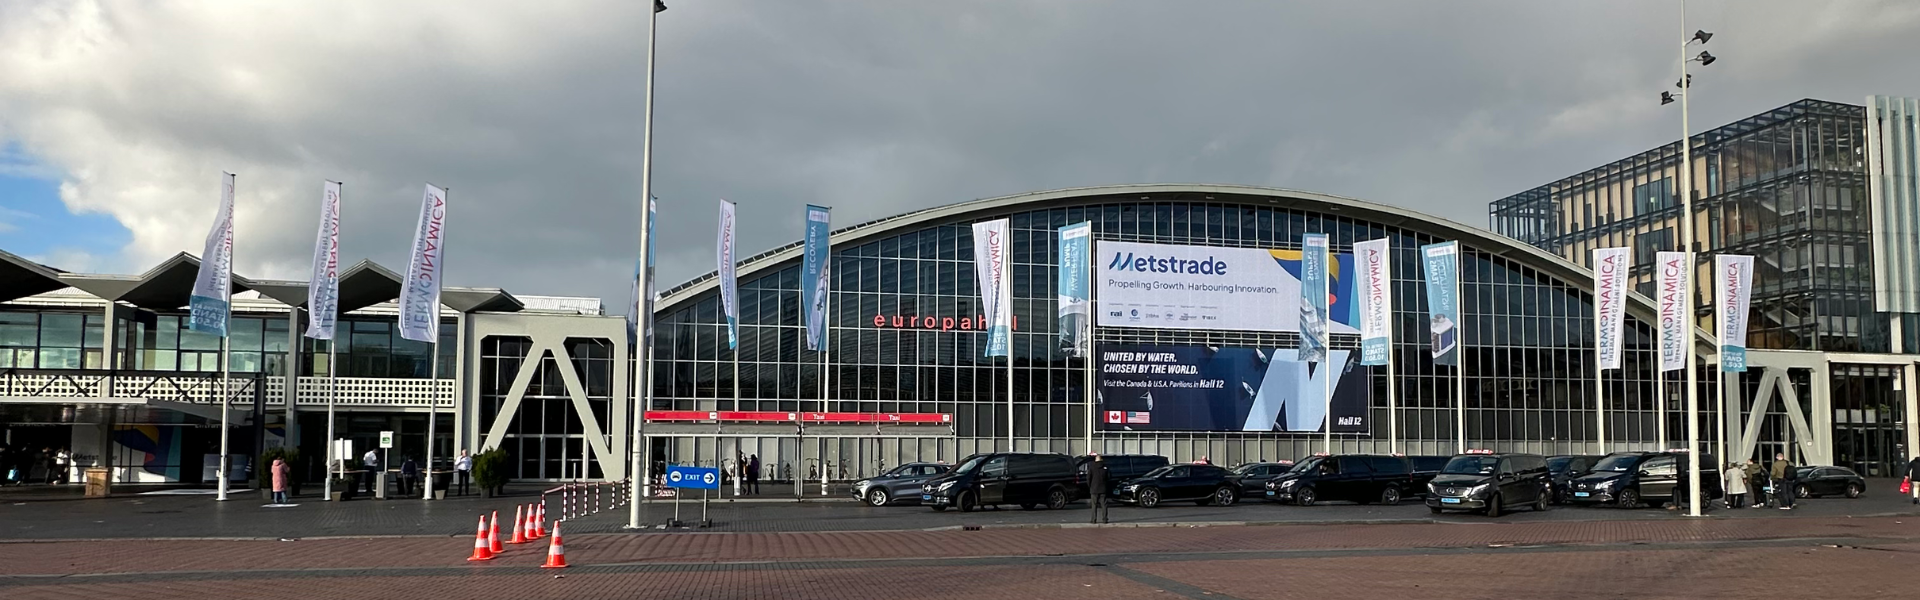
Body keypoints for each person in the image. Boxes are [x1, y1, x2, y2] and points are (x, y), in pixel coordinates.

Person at [1088, 454, 1110, 524]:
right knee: (1104, 504)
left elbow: (1088, 478)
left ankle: (1093, 519)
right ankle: (1105, 519)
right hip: (1103, 488)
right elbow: (1109, 477)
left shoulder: (1092, 467)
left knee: (1094, 505)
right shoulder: (1105, 467)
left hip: (1094, 488)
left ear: (1096, 459)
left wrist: (1090, 486)